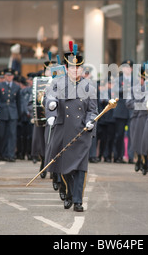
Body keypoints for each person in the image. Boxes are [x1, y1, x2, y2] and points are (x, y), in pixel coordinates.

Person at [45, 42, 98, 212]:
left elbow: (92, 109)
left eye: (79, 68)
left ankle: (77, 201)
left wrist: (91, 121)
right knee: (64, 167)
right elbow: (50, 98)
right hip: (63, 130)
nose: (76, 71)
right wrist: (52, 110)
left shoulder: (89, 86)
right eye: (73, 68)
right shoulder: (57, 83)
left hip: (82, 132)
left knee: (80, 168)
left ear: (82, 70)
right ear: (67, 68)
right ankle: (68, 192)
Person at [0, 68, 21, 162]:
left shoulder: (16, 86)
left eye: (10, 76)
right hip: (2, 112)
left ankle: (10, 154)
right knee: (1, 134)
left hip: (13, 113)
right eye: (7, 75)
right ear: (5, 76)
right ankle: (2, 153)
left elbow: (18, 101)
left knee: (12, 134)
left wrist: (19, 114)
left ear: (13, 76)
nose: (9, 77)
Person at [112, 60, 133, 163]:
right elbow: (115, 91)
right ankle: (118, 156)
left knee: (131, 134)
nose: (127, 69)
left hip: (132, 110)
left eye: (129, 67)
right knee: (119, 134)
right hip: (120, 110)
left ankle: (131, 156)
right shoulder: (118, 80)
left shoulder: (135, 80)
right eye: (125, 67)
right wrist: (126, 88)